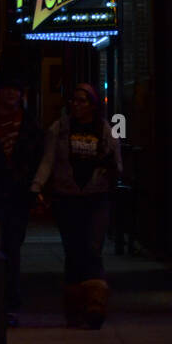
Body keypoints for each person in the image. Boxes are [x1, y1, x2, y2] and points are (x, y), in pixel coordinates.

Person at [30, 83, 123, 329]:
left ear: (92, 104)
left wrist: (112, 170)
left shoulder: (105, 130)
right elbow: (48, 160)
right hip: (67, 196)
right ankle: (75, 306)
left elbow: (118, 164)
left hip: (96, 195)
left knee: (92, 248)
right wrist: (37, 186)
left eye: (82, 101)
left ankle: (94, 304)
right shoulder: (59, 129)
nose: (76, 105)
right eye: (73, 100)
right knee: (73, 250)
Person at [0, 76, 43, 325]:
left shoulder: (30, 125)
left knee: (11, 248)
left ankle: (9, 303)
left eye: (16, 88)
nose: (12, 93)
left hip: (17, 195)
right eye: (8, 88)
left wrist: (34, 188)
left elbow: (38, 158)